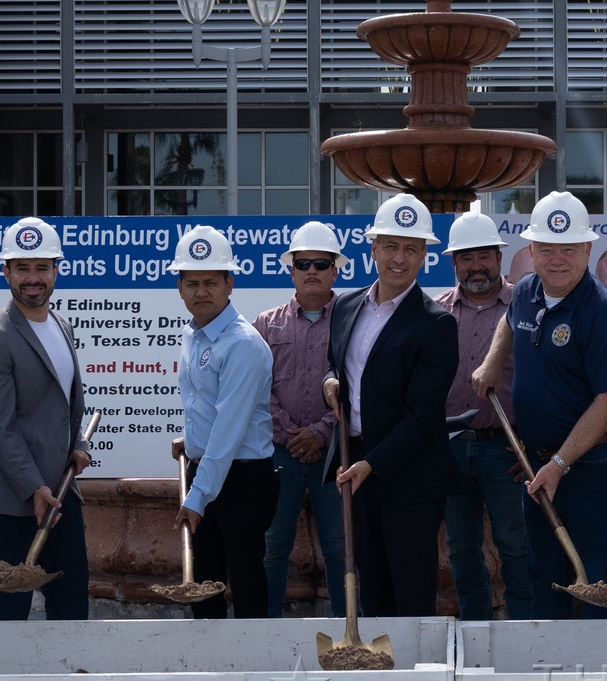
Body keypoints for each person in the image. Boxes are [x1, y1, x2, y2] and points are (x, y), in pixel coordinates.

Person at [472, 191, 607, 620]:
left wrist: (560, 464)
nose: (557, 259)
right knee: (545, 576)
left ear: (587, 249)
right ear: (531, 251)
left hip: (591, 467)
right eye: (546, 248)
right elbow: (509, 325)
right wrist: (491, 363)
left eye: (568, 249)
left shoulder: (604, 313)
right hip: (538, 464)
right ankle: (552, 674)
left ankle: (601, 679)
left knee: (595, 582)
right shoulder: (526, 291)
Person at [0, 217, 94, 621]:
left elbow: (66, 406)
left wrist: (79, 443)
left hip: (61, 494)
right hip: (14, 499)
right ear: (6, 272)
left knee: (70, 600)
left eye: (42, 267)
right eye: (22, 268)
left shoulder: (61, 325)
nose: (33, 278)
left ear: (56, 271)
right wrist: (33, 487)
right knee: (8, 607)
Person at [327, 194, 460, 618]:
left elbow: (423, 416)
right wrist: (328, 381)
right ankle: (379, 674)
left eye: (411, 248)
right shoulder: (346, 306)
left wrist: (372, 464)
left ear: (425, 256)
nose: (398, 258)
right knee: (372, 588)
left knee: (411, 590)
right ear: (372, 249)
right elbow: (337, 365)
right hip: (355, 462)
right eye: (390, 246)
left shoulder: (436, 323)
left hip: (409, 475)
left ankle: (418, 678)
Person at [168, 224, 277, 620]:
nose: (201, 291)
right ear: (179, 287)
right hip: (209, 470)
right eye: (192, 282)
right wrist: (191, 439)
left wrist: (196, 498)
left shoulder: (243, 344)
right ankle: (209, 666)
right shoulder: (192, 335)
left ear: (230, 283)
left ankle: (253, 671)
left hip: (243, 479)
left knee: (245, 581)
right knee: (204, 584)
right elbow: (207, 406)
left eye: (211, 282)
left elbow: (229, 432)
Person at [436, 210, 534, 620]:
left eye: (484, 256)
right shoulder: (436, 313)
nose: (476, 265)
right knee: (460, 546)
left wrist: (533, 443)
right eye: (466, 257)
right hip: (452, 449)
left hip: (508, 450)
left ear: (498, 256)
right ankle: (475, 629)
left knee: (516, 545)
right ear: (454, 263)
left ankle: (525, 630)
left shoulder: (526, 308)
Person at [255, 221, 347, 618]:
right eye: (303, 263)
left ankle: (348, 630)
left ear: (336, 270)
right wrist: (292, 433)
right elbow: (256, 388)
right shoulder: (265, 324)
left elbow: (359, 386)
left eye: (321, 263)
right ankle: (266, 629)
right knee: (273, 545)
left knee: (341, 549)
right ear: (290, 270)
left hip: (335, 455)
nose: (312, 270)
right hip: (279, 453)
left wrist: (321, 432)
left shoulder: (353, 320)